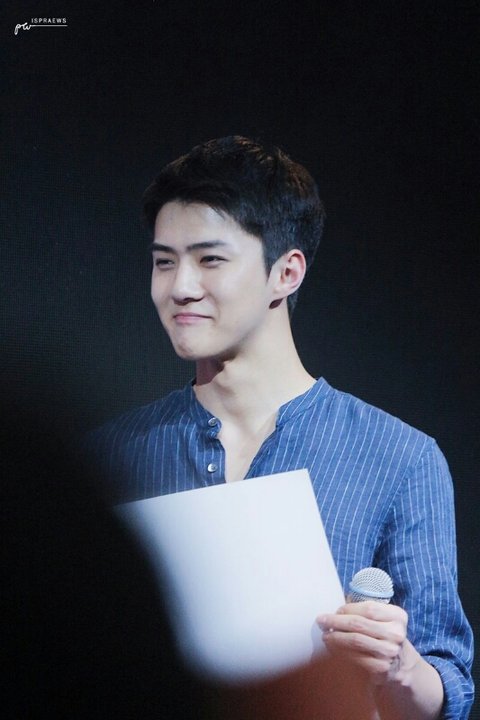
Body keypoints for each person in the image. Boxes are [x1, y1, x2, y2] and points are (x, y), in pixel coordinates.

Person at [86, 136, 474, 719]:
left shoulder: (400, 458)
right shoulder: (109, 458)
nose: (179, 287)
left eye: (210, 259)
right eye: (164, 261)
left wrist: (400, 667)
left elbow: (447, 690)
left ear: (286, 272)